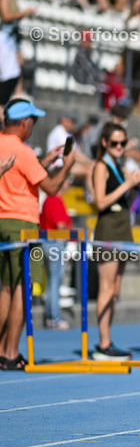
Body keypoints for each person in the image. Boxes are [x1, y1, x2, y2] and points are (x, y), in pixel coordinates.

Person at [91, 122, 140, 360]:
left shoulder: (117, 165)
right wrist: (128, 183)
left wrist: (137, 184)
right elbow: (100, 202)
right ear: (105, 143)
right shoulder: (101, 166)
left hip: (122, 226)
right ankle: (103, 343)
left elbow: (126, 199)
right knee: (107, 288)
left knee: (115, 289)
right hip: (108, 228)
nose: (119, 147)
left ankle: (107, 341)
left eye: (123, 143)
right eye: (115, 143)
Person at [0, 99, 56, 370]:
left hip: (2, 221)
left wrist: (44, 161)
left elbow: (20, 176)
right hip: (24, 223)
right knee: (23, 290)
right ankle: (10, 352)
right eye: (32, 120)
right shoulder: (23, 151)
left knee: (6, 289)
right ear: (24, 122)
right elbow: (53, 187)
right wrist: (67, 163)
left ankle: (2, 349)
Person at [40, 179, 72, 330]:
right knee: (55, 282)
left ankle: (51, 316)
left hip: (49, 243)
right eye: (67, 182)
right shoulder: (55, 200)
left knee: (52, 281)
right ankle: (54, 317)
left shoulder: (49, 200)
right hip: (54, 243)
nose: (68, 184)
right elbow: (60, 225)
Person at [0, 0, 32, 105]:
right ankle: (12, 94)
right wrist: (24, 13)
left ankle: (17, 92)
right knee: (12, 66)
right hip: (7, 35)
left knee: (19, 64)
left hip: (13, 34)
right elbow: (6, 16)